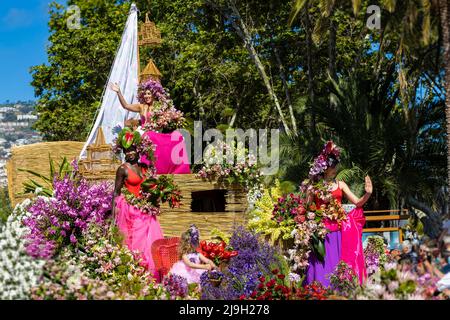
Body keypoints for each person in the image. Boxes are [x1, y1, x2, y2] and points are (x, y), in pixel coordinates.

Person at [305, 141, 372, 287]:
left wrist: (368, 193)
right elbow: (307, 208)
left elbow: (358, 202)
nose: (335, 169)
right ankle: (320, 290)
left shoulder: (341, 184)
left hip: (340, 230)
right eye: (332, 166)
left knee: (339, 261)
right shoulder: (313, 187)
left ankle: (341, 289)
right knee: (322, 264)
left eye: (335, 166)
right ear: (324, 168)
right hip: (321, 232)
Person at [109, 80, 190, 174]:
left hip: (157, 133)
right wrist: (119, 92)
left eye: (149, 93)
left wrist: (171, 120)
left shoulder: (161, 107)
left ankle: (174, 169)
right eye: (145, 94)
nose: (146, 96)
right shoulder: (141, 107)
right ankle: (148, 168)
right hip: (144, 133)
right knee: (150, 135)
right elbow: (126, 106)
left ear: (154, 94)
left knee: (178, 136)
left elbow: (170, 119)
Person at [112, 131, 163, 278]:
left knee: (151, 243)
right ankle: (136, 273)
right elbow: (116, 192)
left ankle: (150, 275)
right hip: (132, 211)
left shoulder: (144, 168)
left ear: (139, 150)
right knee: (137, 244)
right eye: (127, 151)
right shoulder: (123, 169)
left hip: (147, 211)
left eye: (133, 149)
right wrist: (114, 213)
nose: (130, 153)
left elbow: (152, 184)